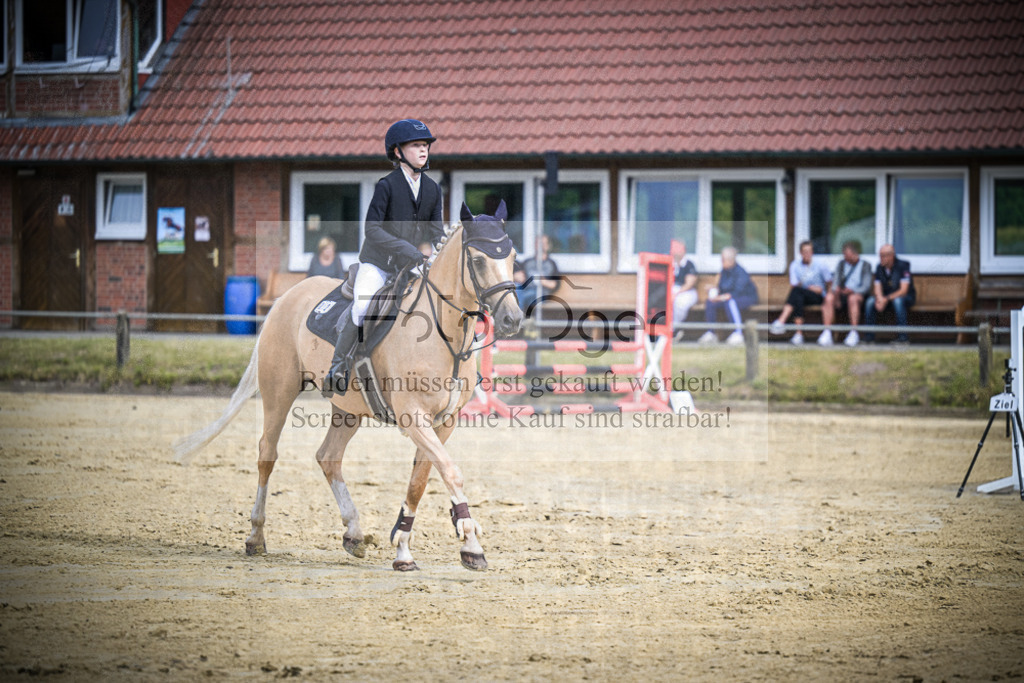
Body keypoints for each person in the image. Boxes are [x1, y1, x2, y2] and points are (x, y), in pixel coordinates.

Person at [323, 119, 444, 397]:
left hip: (410, 266)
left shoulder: (433, 189)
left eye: (425, 145)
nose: (424, 150)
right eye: (416, 146)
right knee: (362, 307)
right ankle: (338, 368)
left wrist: (441, 255)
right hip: (377, 264)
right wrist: (409, 251)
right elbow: (372, 229)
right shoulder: (386, 186)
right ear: (398, 152)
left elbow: (437, 233)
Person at [769, 240, 832, 345]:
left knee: (797, 294)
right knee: (798, 296)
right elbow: (794, 284)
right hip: (803, 294)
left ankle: (782, 322)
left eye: (809, 251)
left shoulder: (820, 264)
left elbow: (829, 282)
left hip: (818, 296)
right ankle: (798, 334)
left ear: (812, 252)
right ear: (800, 253)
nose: (807, 254)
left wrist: (826, 294)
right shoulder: (795, 265)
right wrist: (810, 287)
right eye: (805, 251)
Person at [699, 247, 759, 345]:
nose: (721, 262)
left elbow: (736, 293)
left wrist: (719, 298)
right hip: (728, 298)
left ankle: (738, 333)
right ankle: (711, 333)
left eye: (723, 260)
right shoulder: (724, 271)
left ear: (731, 260)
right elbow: (723, 289)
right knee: (710, 302)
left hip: (746, 297)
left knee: (731, 302)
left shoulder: (741, 272)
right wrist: (713, 289)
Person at [820, 240, 872, 347]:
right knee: (829, 298)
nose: (846, 259)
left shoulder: (865, 265)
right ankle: (827, 332)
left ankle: (854, 332)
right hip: (842, 294)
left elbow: (866, 286)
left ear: (855, 254)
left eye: (848, 256)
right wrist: (837, 294)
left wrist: (853, 290)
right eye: (845, 256)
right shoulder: (841, 264)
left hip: (858, 295)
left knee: (852, 299)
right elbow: (835, 283)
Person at [863, 244, 916, 344]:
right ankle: (869, 337)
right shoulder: (879, 267)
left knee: (898, 301)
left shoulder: (903, 266)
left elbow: (903, 291)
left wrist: (885, 299)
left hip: (905, 297)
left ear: (891, 256)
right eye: (880, 255)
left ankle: (903, 337)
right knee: (870, 301)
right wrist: (879, 299)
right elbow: (877, 286)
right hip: (886, 298)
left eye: (883, 255)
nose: (880, 258)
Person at [514, 234, 560, 313]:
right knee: (518, 290)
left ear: (548, 246)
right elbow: (519, 275)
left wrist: (544, 281)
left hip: (541, 293)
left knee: (527, 295)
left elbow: (555, 284)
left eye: (543, 243)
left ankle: (520, 317)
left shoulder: (551, 264)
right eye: (538, 243)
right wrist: (515, 277)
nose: (540, 246)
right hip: (526, 291)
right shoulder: (527, 262)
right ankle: (521, 317)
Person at [670, 238, 698, 342]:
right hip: (672, 290)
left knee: (679, 304)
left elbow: (689, 283)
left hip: (686, 292)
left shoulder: (688, 264)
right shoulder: (670, 263)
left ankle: (675, 329)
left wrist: (676, 293)